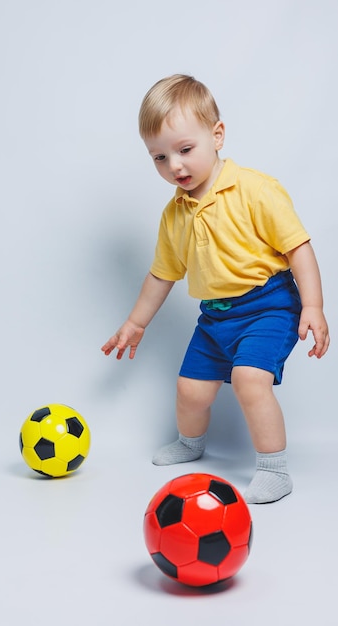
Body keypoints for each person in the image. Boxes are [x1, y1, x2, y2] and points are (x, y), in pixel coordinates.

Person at [101, 74, 329, 504]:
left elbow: (298, 247)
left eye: (185, 150)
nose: (175, 167)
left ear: (217, 135)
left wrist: (313, 306)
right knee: (190, 390)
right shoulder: (175, 214)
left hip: (269, 306)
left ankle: (274, 468)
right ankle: (191, 444)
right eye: (159, 157)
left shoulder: (255, 190)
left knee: (248, 379)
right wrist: (136, 322)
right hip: (215, 316)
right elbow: (162, 274)